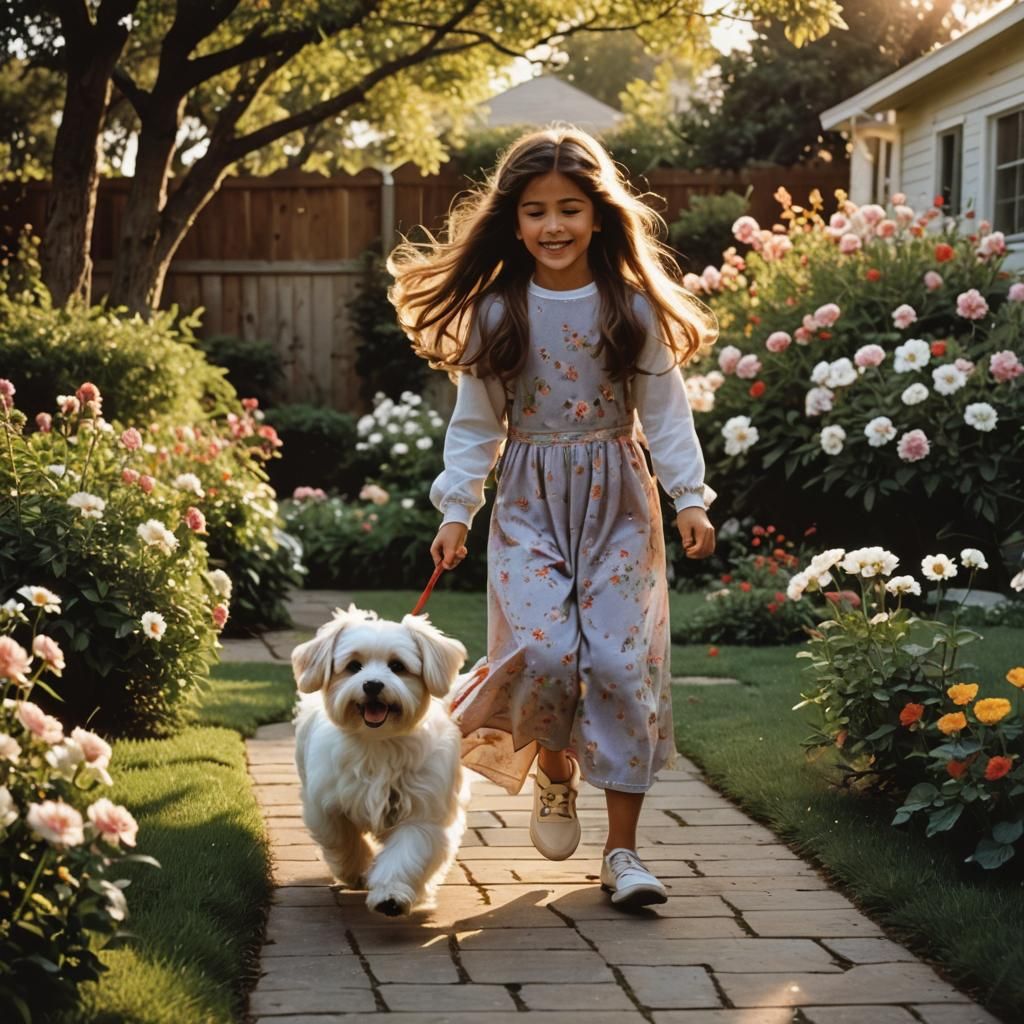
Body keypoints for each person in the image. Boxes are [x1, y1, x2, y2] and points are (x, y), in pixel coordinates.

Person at [388, 126, 717, 909]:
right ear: (515, 221)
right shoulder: (499, 312)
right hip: (530, 501)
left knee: (616, 666)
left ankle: (624, 854)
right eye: (536, 211)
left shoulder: (629, 308)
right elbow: (476, 426)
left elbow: (667, 416)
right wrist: (457, 509)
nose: (554, 225)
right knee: (540, 652)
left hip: (620, 506)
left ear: (600, 215)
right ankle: (559, 770)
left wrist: (690, 497)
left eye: (570, 208)